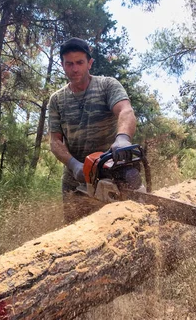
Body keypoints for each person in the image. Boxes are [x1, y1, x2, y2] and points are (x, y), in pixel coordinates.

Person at [48, 37, 137, 223]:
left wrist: (122, 138)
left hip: (111, 168)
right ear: (63, 65)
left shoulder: (107, 86)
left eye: (80, 62)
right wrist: (74, 165)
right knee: (74, 231)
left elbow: (125, 110)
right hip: (76, 177)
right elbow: (55, 141)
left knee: (123, 225)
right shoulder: (57, 100)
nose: (75, 69)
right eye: (69, 64)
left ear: (89, 63)